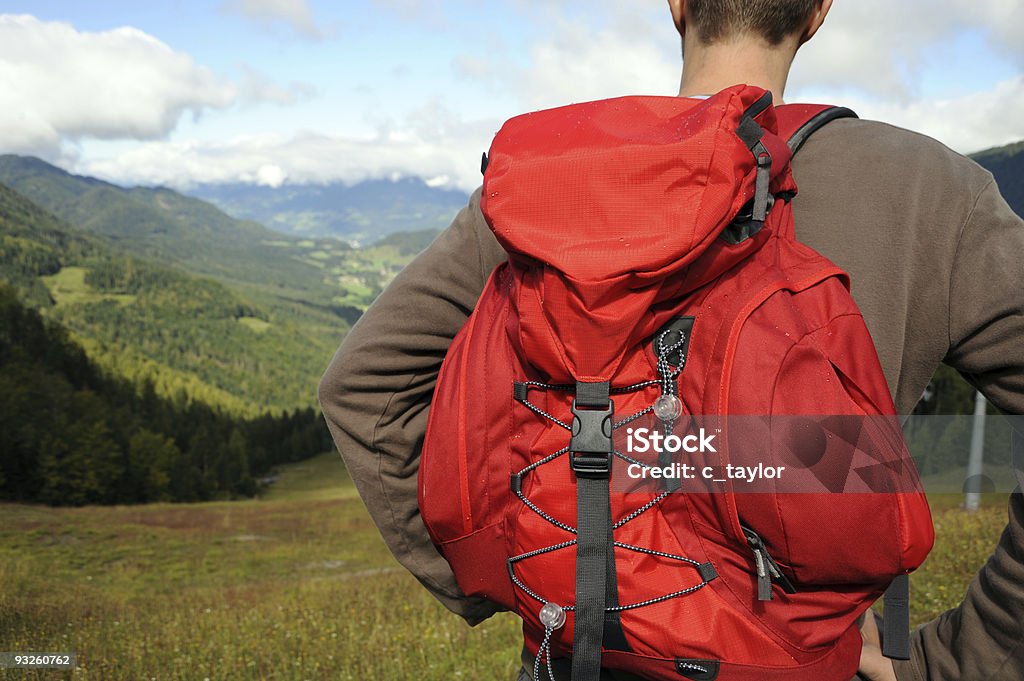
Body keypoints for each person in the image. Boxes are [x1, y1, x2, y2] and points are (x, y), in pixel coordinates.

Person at [318, 0, 1024, 678]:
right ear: (819, 12)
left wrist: (518, 570)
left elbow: (361, 388)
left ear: (678, 5)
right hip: (806, 659)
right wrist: (963, 659)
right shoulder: (929, 193)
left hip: (582, 651)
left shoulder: (548, 188)